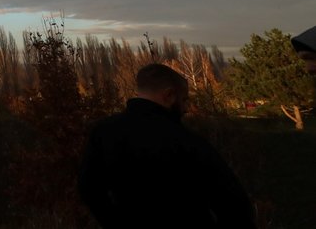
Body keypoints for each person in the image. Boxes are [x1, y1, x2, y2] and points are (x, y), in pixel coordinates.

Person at [78, 63, 255, 228]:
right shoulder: (186, 140)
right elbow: (233, 204)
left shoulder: (104, 132)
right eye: (184, 100)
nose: (186, 108)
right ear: (169, 95)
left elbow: (89, 188)